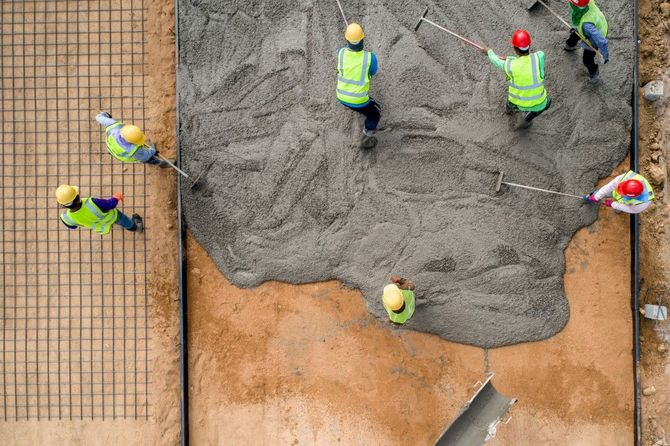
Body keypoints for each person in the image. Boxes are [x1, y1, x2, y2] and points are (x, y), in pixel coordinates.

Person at [483, 29, 551, 129]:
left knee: (510, 101)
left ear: (515, 49)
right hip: (539, 103)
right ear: (529, 45)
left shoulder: (510, 65)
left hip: (518, 103)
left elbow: (496, 60)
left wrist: (489, 52)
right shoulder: (539, 56)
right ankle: (528, 118)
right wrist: (509, 58)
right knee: (547, 103)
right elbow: (526, 60)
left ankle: (509, 109)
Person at [336, 23, 381, 149]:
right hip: (358, 100)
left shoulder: (340, 53)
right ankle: (366, 138)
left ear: (347, 40)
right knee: (375, 113)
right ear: (362, 39)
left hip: (341, 96)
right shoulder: (370, 58)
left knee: (360, 106)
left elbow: (343, 52)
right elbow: (373, 71)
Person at [56, 184, 144, 234]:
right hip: (113, 217)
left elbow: (73, 227)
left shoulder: (66, 218)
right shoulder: (92, 203)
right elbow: (110, 204)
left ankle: (128, 226)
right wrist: (116, 197)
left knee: (111, 222)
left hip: (101, 226)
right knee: (123, 220)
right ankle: (135, 227)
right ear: (78, 198)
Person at [96, 111, 171, 167]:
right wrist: (152, 151)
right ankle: (159, 163)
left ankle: (111, 151)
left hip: (111, 146)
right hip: (122, 155)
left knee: (114, 149)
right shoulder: (134, 150)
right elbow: (144, 156)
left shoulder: (113, 125)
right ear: (131, 142)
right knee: (149, 159)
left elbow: (98, 117)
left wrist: (104, 115)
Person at [564, 0, 609, 84]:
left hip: (593, 39)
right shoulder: (588, 2)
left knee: (587, 60)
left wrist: (605, 56)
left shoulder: (586, 26)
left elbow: (602, 41)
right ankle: (570, 45)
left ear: (578, 6)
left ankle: (594, 73)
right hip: (594, 24)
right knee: (576, 32)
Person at [582, 171, 654, 214]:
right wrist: (596, 196)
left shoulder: (641, 204)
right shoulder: (626, 178)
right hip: (615, 193)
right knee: (605, 192)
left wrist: (613, 204)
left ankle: (618, 209)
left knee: (621, 207)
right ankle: (592, 196)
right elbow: (609, 186)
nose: (620, 192)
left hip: (626, 203)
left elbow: (629, 209)